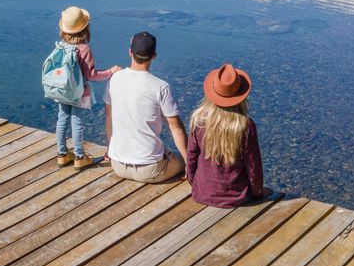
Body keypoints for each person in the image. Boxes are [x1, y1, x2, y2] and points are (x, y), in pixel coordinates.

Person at [104, 31, 186, 183]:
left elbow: (109, 117)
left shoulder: (114, 78)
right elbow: (176, 128)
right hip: (150, 170)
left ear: (130, 52)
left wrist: (111, 149)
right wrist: (190, 164)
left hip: (117, 164)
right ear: (154, 56)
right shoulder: (161, 86)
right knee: (184, 157)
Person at [186, 63, 266, 207]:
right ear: (241, 97)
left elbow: (191, 157)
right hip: (236, 196)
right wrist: (257, 192)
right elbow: (253, 166)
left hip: (202, 193)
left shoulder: (199, 121)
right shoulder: (245, 126)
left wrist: (195, 183)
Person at [53, 6, 120, 169]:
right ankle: (79, 156)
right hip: (78, 93)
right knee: (77, 122)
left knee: (62, 119)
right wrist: (110, 72)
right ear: (85, 28)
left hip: (61, 89)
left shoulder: (60, 45)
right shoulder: (84, 49)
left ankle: (61, 154)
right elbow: (91, 75)